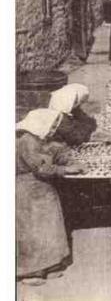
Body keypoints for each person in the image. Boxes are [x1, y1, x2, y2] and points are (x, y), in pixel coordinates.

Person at [17, 109, 86, 285]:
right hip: (26, 191)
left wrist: (65, 159)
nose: (54, 128)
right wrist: (64, 170)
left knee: (49, 227)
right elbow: (41, 168)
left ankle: (50, 265)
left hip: (40, 189)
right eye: (52, 124)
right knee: (32, 231)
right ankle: (30, 272)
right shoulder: (26, 140)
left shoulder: (37, 138)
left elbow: (51, 154)